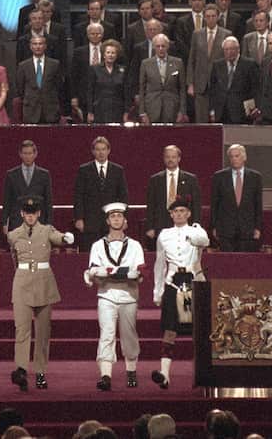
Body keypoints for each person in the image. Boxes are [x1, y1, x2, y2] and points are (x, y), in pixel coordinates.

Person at [7, 196, 75, 391]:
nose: (30, 216)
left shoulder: (47, 231)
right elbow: (14, 257)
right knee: (22, 330)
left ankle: (40, 372)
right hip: (22, 283)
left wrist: (66, 238)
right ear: (22, 214)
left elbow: (59, 238)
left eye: (33, 213)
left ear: (38, 213)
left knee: (43, 332)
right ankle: (21, 370)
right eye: (27, 213)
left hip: (44, 284)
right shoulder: (13, 235)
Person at [84, 203, 145, 391]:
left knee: (129, 334)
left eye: (119, 216)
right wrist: (121, 273)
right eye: (113, 217)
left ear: (125, 221)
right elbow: (94, 270)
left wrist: (109, 272)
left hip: (128, 295)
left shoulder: (135, 245)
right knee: (107, 333)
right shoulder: (97, 246)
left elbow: (140, 273)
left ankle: (131, 371)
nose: (116, 219)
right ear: (108, 220)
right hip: (107, 295)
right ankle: (105, 375)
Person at [150, 201, 208, 389]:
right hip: (172, 282)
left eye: (183, 211)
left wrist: (193, 235)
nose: (179, 214)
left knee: (197, 330)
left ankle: (202, 373)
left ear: (189, 213)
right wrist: (157, 291)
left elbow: (204, 242)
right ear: (171, 214)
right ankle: (164, 374)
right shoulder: (164, 235)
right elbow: (159, 264)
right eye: (176, 211)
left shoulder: (197, 230)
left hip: (192, 281)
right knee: (169, 329)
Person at [73, 136, 129, 250]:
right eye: (98, 149)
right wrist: (79, 218)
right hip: (90, 223)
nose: (101, 152)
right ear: (93, 151)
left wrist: (124, 218)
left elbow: (123, 196)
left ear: (108, 150)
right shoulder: (84, 170)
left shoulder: (118, 170)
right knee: (90, 255)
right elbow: (78, 195)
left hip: (112, 223)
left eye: (103, 149)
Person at [144, 144, 201, 248]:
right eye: (167, 157)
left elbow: (196, 205)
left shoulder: (191, 179)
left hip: (184, 226)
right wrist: (150, 227)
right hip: (160, 225)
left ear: (179, 158)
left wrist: (196, 226)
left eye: (173, 157)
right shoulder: (155, 180)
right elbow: (151, 205)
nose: (170, 160)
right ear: (163, 158)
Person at [210, 143, 263, 252]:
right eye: (231, 156)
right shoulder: (219, 176)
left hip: (247, 229)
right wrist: (214, 226)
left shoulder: (255, 177)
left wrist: (257, 227)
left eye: (237, 156)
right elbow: (215, 204)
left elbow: (258, 204)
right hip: (225, 229)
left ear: (244, 157)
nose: (234, 159)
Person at [187, 4, 230, 124]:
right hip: (200, 83)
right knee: (201, 119)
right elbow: (192, 59)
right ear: (204, 18)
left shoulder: (226, 34)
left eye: (213, 16)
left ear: (217, 17)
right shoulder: (197, 34)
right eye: (208, 16)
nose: (210, 19)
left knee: (218, 117)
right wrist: (190, 83)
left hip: (219, 83)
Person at [1, 140, 53, 232]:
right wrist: (5, 222)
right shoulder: (11, 175)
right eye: (25, 153)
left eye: (30, 153)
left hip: (39, 223)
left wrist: (49, 223)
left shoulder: (44, 175)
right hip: (17, 223)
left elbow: (48, 201)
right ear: (20, 154)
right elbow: (7, 201)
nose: (27, 156)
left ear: (35, 154)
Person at [209, 35, 259, 124]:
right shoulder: (217, 65)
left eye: (232, 49)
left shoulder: (249, 64)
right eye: (226, 49)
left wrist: (255, 107)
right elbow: (213, 89)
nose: (229, 52)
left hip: (242, 112)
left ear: (238, 49)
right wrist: (212, 110)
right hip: (221, 112)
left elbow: (256, 88)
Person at [138, 33, 185, 125]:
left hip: (172, 108)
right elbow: (141, 89)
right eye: (158, 46)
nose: (160, 49)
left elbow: (182, 89)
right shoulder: (146, 64)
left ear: (167, 46)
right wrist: (142, 112)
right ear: (154, 47)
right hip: (152, 108)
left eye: (163, 46)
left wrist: (182, 111)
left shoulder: (178, 63)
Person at [16, 34, 63, 124]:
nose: (38, 46)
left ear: (45, 46)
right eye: (35, 44)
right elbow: (20, 88)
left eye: (40, 44)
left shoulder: (55, 64)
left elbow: (59, 85)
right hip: (31, 111)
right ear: (30, 46)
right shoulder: (23, 66)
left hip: (50, 111)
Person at [84, 39, 131, 124]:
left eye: (113, 53)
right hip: (99, 110)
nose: (110, 55)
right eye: (108, 52)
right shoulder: (94, 69)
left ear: (117, 55)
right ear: (104, 54)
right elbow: (90, 91)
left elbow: (126, 93)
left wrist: (126, 112)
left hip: (117, 111)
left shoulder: (122, 70)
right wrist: (90, 111)